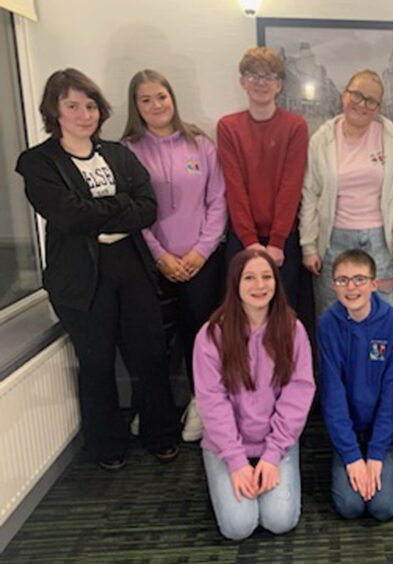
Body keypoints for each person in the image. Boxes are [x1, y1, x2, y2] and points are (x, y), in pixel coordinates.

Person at [16, 68, 180, 470]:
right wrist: (119, 206)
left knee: (150, 354)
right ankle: (107, 446)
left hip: (130, 266)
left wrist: (104, 213)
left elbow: (147, 208)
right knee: (96, 362)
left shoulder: (119, 154)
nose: (84, 114)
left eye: (90, 105)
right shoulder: (39, 163)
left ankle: (160, 434)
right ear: (54, 111)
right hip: (80, 275)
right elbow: (68, 217)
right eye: (72, 106)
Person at [123, 69, 227, 442]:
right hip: (153, 263)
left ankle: (201, 405)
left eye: (161, 97)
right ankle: (156, 409)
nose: (155, 105)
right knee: (153, 343)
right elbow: (132, 211)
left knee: (200, 336)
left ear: (173, 99)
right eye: (145, 99)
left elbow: (217, 201)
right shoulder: (128, 150)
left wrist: (200, 251)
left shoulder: (200, 144)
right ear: (136, 106)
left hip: (202, 260)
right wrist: (160, 255)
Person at [193, 249, 315, 541]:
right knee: (238, 526)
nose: (259, 286)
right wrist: (235, 462)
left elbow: (298, 394)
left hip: (276, 442)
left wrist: (273, 455)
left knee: (279, 520)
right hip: (226, 446)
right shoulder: (211, 335)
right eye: (249, 278)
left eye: (266, 277)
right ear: (235, 284)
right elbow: (212, 402)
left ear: (276, 282)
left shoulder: (293, 329)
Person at [299, 69, 393, 318]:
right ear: (345, 95)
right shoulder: (322, 139)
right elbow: (311, 194)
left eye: (371, 100)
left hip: (382, 243)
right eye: (357, 95)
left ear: (378, 106)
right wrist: (309, 245)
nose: (363, 105)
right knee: (332, 313)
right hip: (333, 242)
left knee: (387, 312)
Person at [317, 249, 393, 521]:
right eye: (343, 280)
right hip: (348, 431)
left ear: (374, 283)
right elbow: (332, 395)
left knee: (383, 508)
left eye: (359, 279)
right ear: (333, 286)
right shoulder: (327, 324)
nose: (351, 287)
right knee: (350, 506)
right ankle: (351, 457)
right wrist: (352, 456)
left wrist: (377, 453)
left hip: (384, 432)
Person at [217, 47, 308, 307]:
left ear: (278, 84)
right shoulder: (228, 127)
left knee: (283, 313)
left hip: (284, 239)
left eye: (268, 77)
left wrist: (277, 241)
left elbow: (291, 187)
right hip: (243, 238)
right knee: (242, 313)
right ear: (242, 81)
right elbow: (234, 188)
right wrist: (250, 241)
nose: (261, 83)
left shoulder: (295, 126)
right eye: (253, 76)